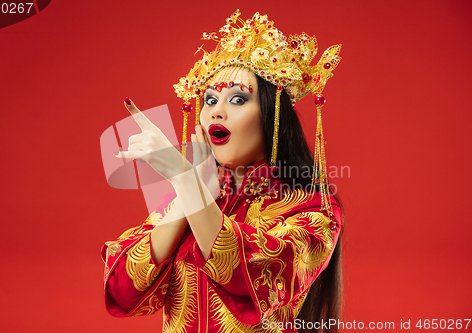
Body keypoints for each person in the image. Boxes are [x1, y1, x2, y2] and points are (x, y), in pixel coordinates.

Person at [102, 10, 343, 333]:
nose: (216, 110)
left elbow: (252, 275)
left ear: (272, 117)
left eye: (238, 99)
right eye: (210, 99)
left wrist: (188, 182)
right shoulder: (188, 195)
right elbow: (123, 290)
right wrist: (191, 188)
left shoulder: (312, 206)